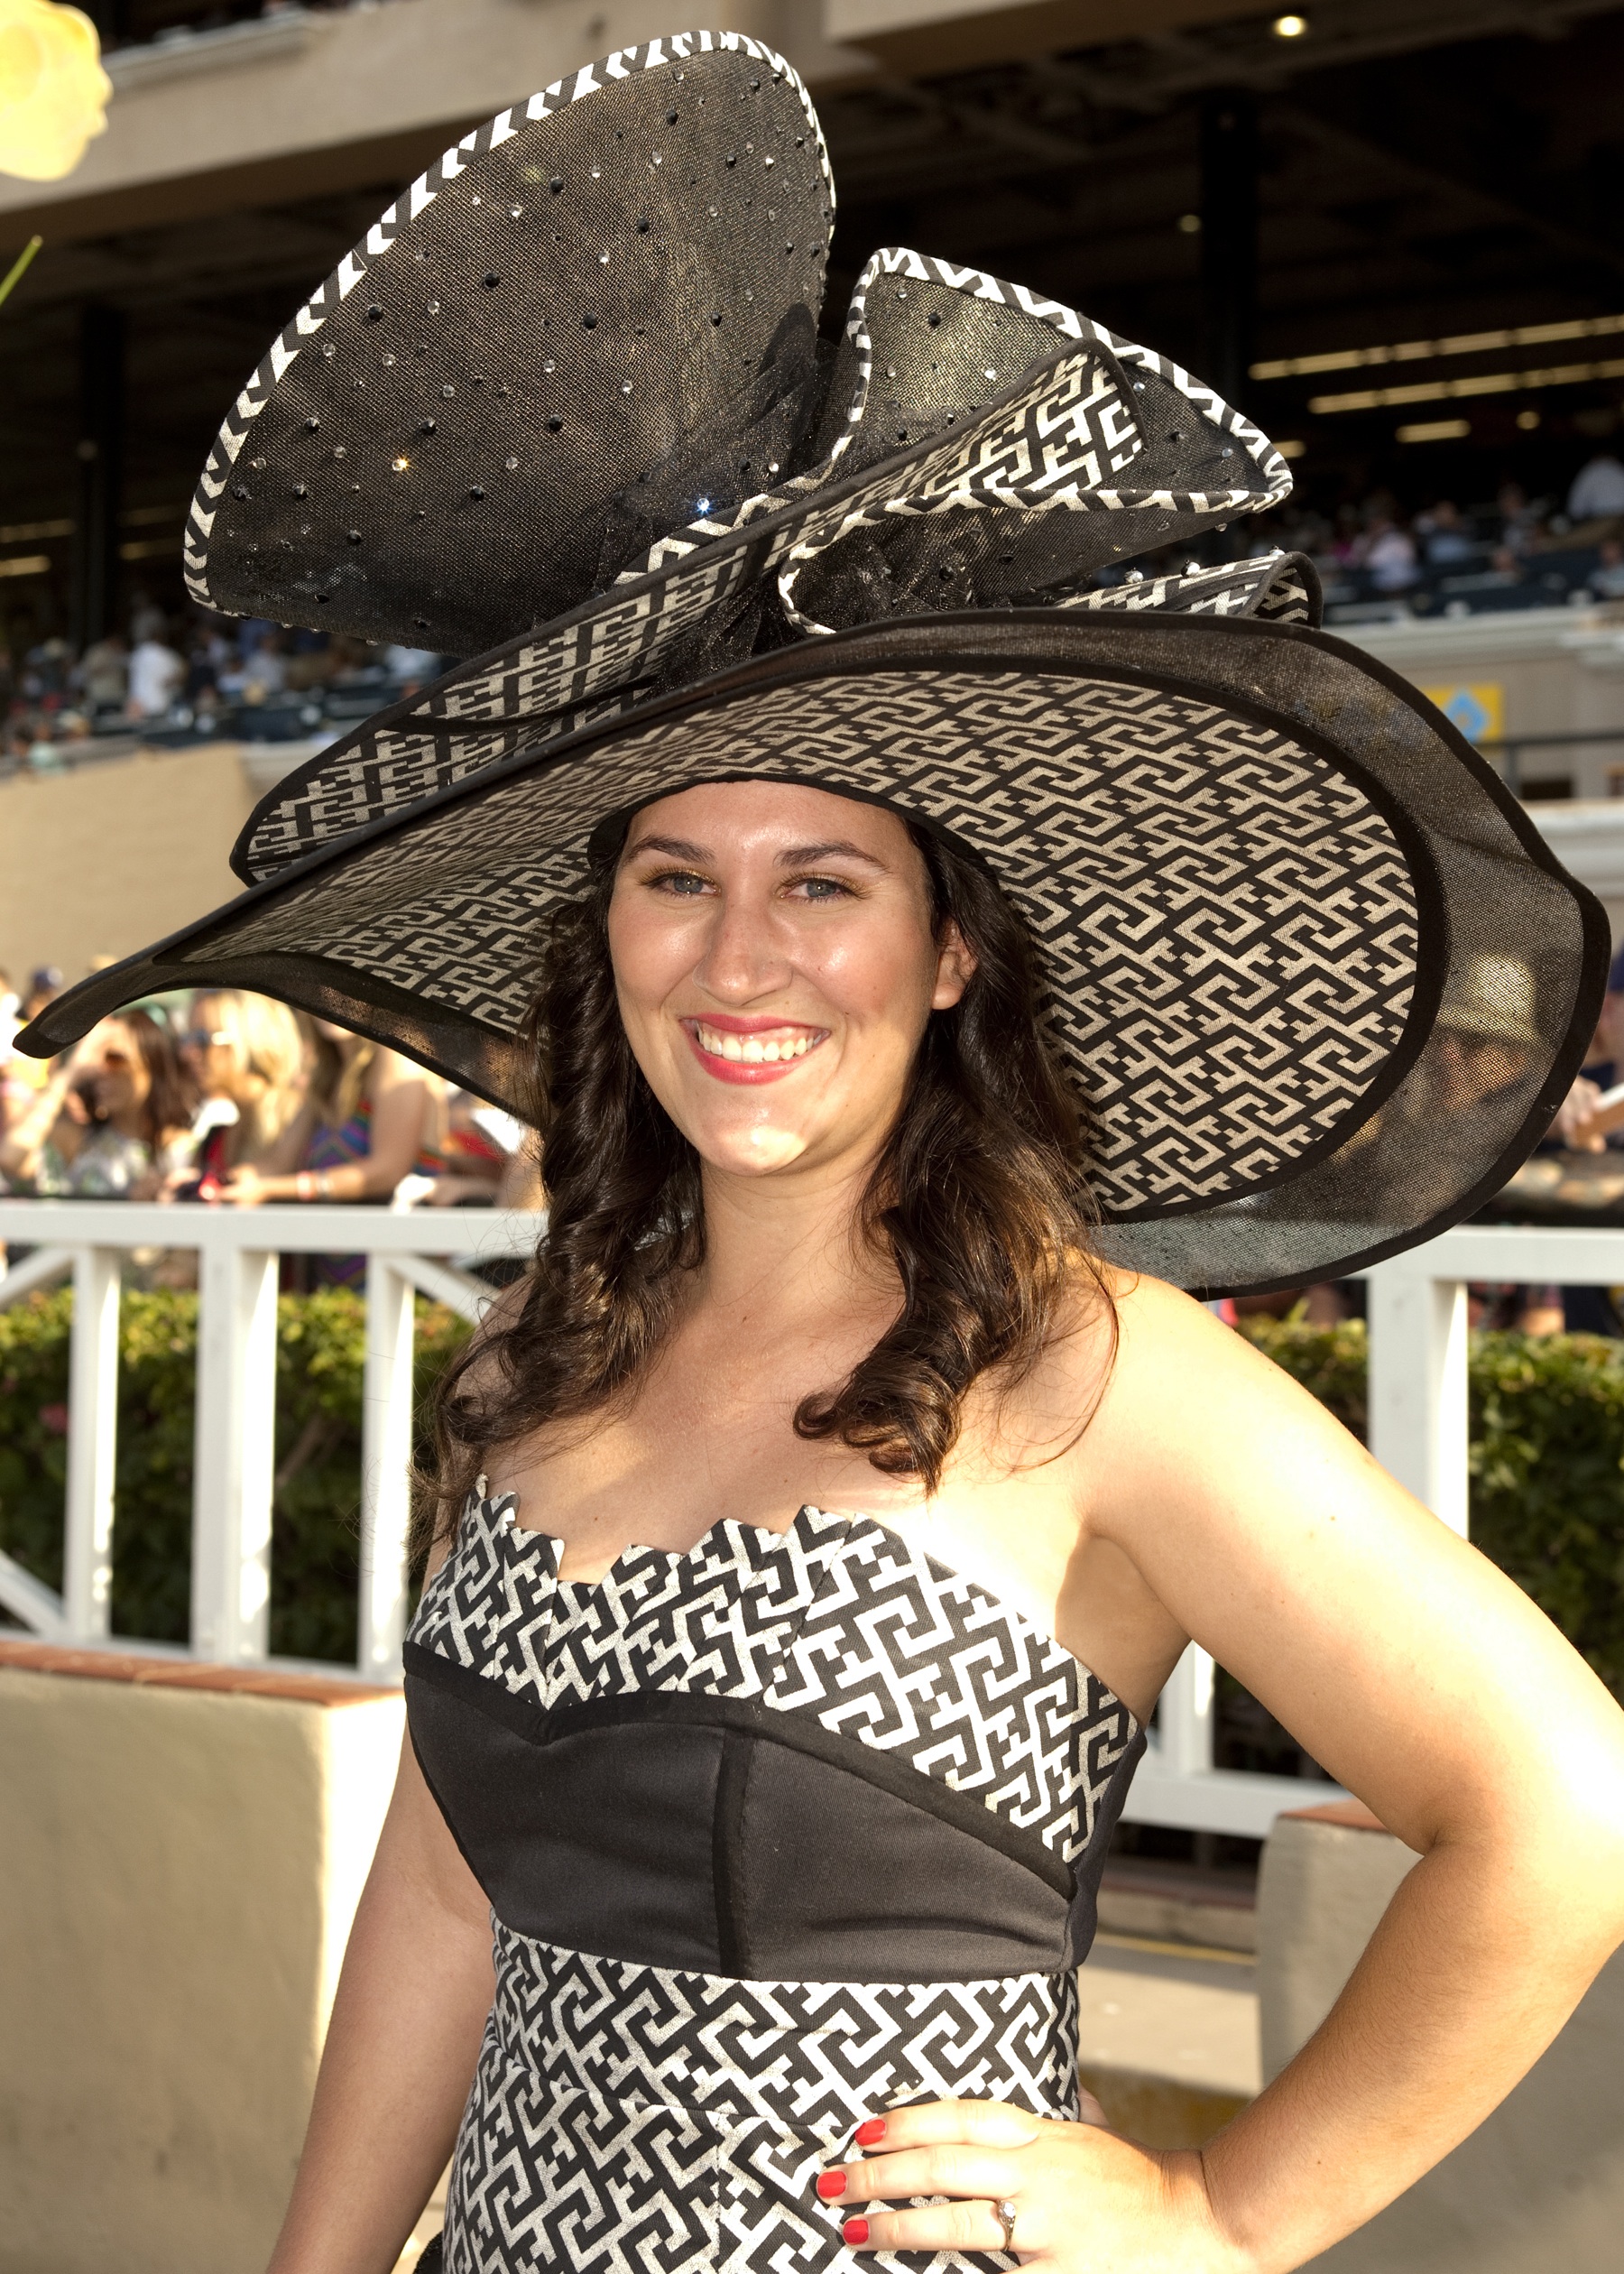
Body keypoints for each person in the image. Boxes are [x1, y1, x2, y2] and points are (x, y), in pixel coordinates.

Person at [14, 39, 1624, 2274]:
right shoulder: (536, 1358)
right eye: (673, 875)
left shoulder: (1096, 1376)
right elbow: (451, 1885)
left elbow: (1564, 1808)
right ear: (604, 934)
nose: (737, 955)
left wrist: (1223, 2211)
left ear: (952, 949)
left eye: (823, 882)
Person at [219, 1022, 443, 1207]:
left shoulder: (398, 1055)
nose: (330, 995)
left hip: (389, 1254)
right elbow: (276, 1163)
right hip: (332, 1252)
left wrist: (271, 1189)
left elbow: (388, 1171)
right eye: (321, 984)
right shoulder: (327, 1075)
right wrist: (219, 1182)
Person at [0, 1007, 196, 1197]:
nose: (100, 1070)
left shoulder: (189, 1150)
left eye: (115, 1058)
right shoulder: (77, 1142)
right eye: (96, 1059)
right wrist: (70, 1073)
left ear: (153, 1063)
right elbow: (10, 1157)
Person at [174, 988, 309, 1194]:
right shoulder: (215, 1140)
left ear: (248, 1038)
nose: (186, 1053)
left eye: (202, 1039)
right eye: (187, 1039)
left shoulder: (302, 1120)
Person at [1566, 451, 1624, 524]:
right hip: (1620, 522)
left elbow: (1575, 509)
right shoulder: (1620, 469)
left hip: (1603, 521)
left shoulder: (1591, 470)